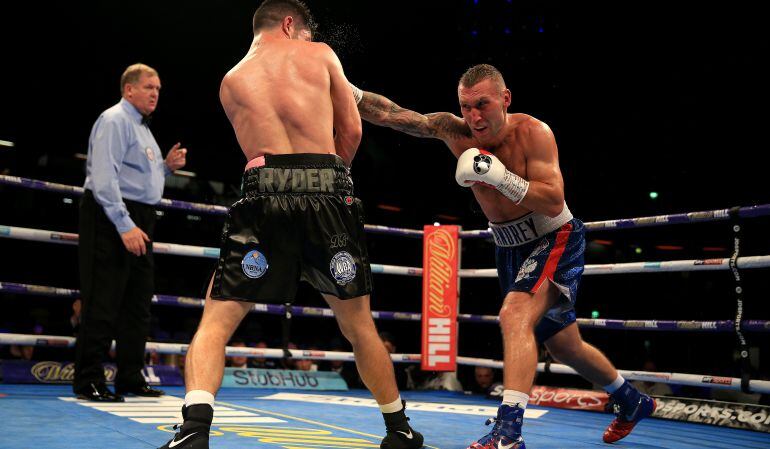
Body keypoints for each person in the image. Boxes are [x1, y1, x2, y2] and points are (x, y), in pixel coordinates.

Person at [158, 2, 424, 449]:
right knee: (359, 326)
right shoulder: (319, 54)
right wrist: (332, 176)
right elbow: (353, 129)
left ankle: (194, 431)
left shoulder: (231, 80)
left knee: (216, 321)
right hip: (326, 188)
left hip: (263, 191)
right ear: (289, 24)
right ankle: (398, 430)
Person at [353, 64, 655, 447]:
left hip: (553, 236)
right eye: (466, 106)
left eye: (483, 104)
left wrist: (502, 177)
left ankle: (508, 433)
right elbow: (398, 116)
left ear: (505, 99)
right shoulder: (454, 130)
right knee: (563, 344)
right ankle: (632, 401)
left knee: (514, 315)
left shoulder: (533, 133)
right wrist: (349, 93)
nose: (474, 116)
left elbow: (554, 199)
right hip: (509, 247)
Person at [74, 63, 187, 403]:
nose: (155, 93)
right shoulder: (114, 121)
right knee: (103, 300)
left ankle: (130, 377)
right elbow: (105, 179)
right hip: (112, 216)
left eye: (159, 89)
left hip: (140, 217)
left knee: (137, 305)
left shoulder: (142, 129)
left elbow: (143, 181)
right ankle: (88, 379)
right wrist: (124, 225)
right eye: (149, 87)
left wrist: (165, 167)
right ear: (129, 90)